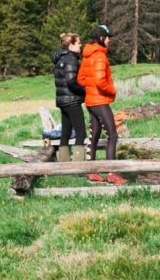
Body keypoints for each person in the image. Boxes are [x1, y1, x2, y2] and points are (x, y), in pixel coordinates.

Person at [78, 24, 126, 184]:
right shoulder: (99, 56)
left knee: (95, 133)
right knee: (112, 134)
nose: (109, 40)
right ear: (101, 38)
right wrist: (112, 90)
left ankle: (91, 171)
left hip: (90, 100)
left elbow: (81, 79)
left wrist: (90, 89)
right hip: (99, 100)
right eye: (107, 37)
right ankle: (112, 173)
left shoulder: (86, 55)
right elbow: (99, 81)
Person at [52, 32, 87, 162]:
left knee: (65, 133)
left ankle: (64, 164)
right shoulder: (71, 59)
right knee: (81, 133)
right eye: (78, 43)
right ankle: (78, 166)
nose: (80, 45)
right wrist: (85, 90)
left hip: (62, 101)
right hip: (71, 100)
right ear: (71, 45)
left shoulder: (60, 58)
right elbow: (71, 81)